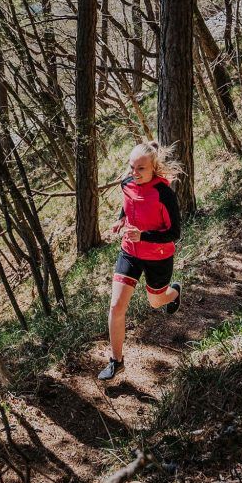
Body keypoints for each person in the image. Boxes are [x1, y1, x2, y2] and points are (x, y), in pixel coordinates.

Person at [97, 141, 183, 381]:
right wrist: (120, 220)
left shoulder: (164, 194)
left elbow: (174, 233)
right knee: (116, 306)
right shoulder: (126, 183)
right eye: (131, 167)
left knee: (156, 303)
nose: (133, 173)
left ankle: (174, 292)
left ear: (153, 167)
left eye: (140, 169)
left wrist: (144, 235)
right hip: (130, 252)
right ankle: (116, 361)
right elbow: (128, 206)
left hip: (158, 256)